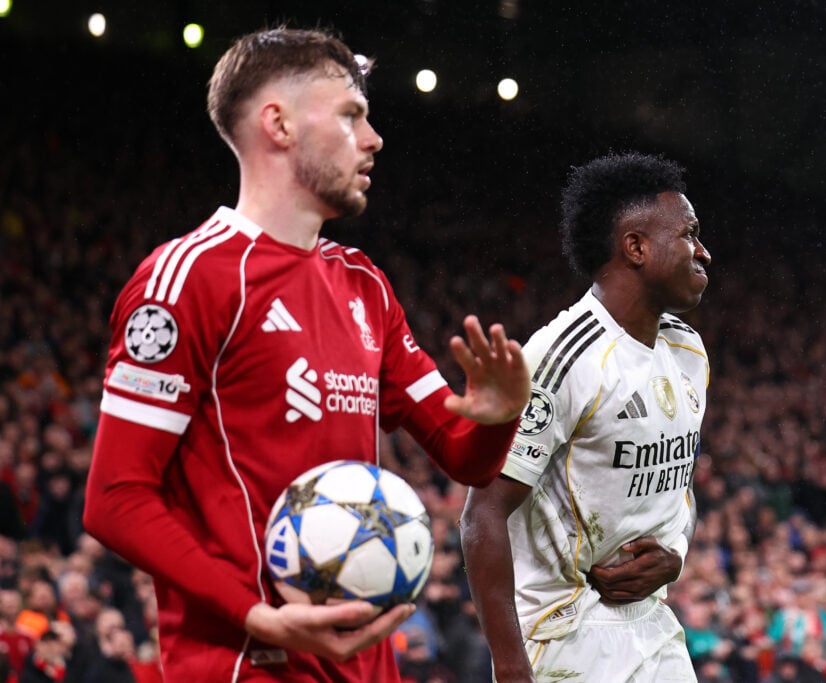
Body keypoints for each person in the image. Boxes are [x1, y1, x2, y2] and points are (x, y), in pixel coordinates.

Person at [82, 26, 530, 683]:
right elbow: (115, 498)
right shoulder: (188, 279)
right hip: (248, 663)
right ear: (279, 124)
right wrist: (256, 615)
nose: (373, 138)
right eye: (350, 115)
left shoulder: (364, 284)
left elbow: (466, 458)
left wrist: (499, 415)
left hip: (367, 665)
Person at [461, 152, 711, 682]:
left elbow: (678, 487)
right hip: (563, 633)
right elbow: (482, 513)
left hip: (653, 625)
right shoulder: (561, 357)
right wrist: (510, 665)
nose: (703, 252)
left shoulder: (687, 351)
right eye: (689, 234)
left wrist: (676, 552)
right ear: (636, 247)